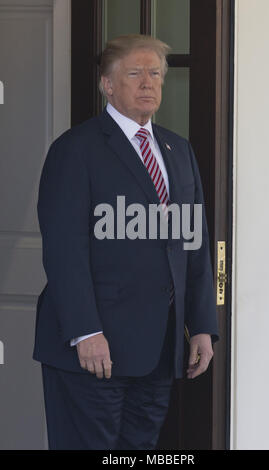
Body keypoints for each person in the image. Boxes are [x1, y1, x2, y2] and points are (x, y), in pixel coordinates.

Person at [32, 34, 219, 450]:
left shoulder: (178, 149)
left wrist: (202, 325)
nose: (147, 82)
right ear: (107, 84)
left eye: (155, 73)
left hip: (158, 349)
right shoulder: (75, 149)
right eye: (134, 73)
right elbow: (64, 251)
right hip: (93, 349)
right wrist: (85, 332)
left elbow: (195, 241)